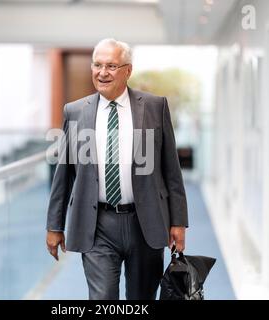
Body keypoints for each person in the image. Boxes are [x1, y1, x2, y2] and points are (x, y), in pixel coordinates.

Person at [46, 38, 188, 300]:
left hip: (144, 223)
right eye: (97, 65)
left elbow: (171, 170)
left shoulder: (155, 107)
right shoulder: (75, 111)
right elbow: (63, 174)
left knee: (141, 297)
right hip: (97, 223)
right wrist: (55, 225)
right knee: (102, 298)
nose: (102, 72)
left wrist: (179, 222)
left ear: (128, 70)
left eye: (111, 66)